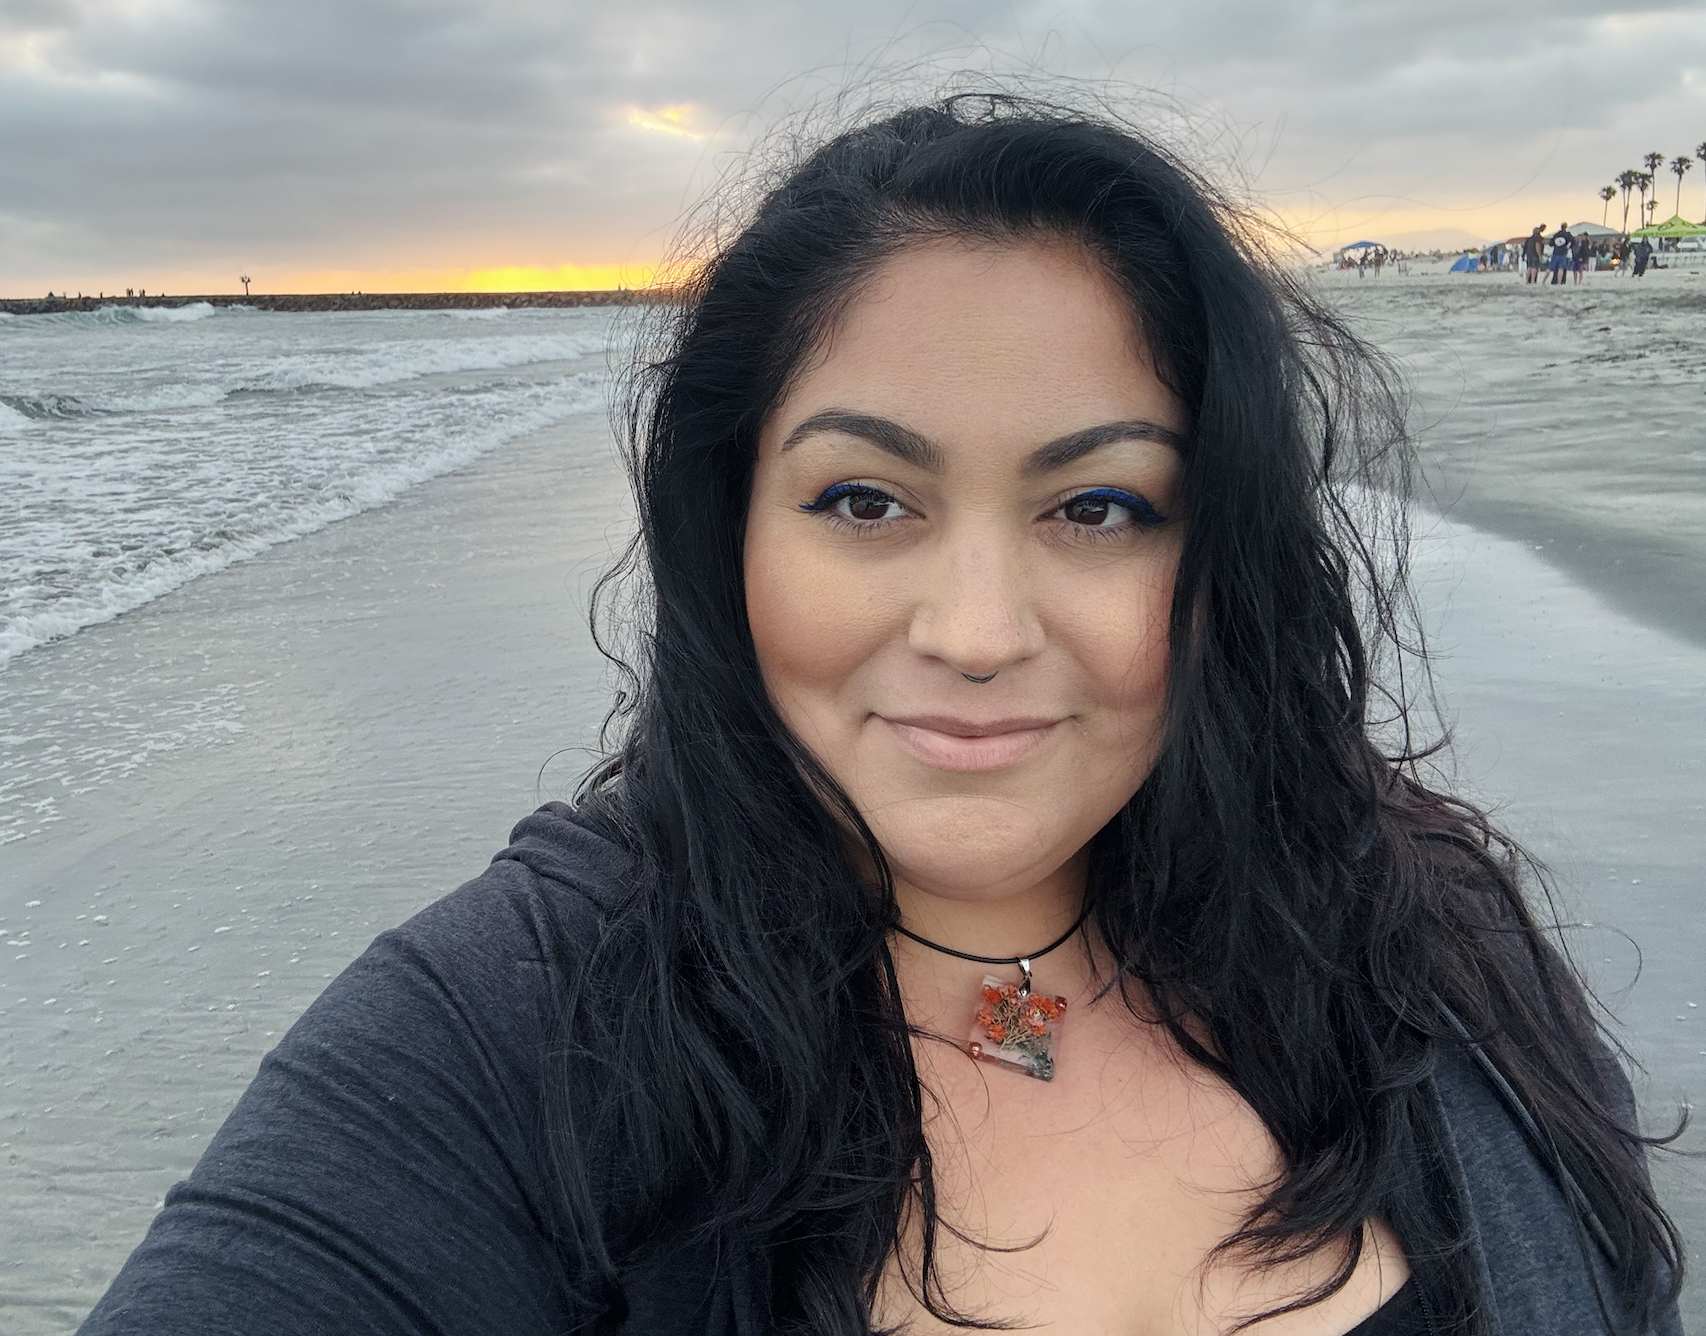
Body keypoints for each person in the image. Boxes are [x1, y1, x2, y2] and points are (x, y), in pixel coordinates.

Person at [80, 94, 1683, 1336]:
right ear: (726, 532)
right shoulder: (506, 1031)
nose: (974, 635)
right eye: (864, 500)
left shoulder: (1427, 941)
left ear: (1224, 557)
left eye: (1099, 508)